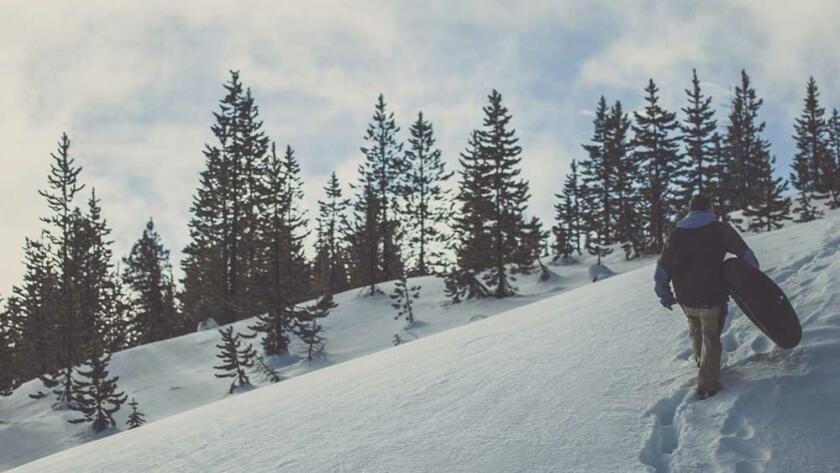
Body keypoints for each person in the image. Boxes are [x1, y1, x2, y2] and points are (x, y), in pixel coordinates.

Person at [654, 194, 759, 399]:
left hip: (685, 298)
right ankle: (707, 386)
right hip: (712, 296)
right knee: (710, 337)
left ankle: (700, 363)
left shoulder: (676, 234)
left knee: (695, 330)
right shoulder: (720, 229)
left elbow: (661, 270)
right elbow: (749, 259)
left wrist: (664, 294)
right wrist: (747, 280)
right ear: (709, 208)